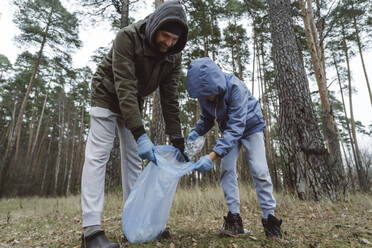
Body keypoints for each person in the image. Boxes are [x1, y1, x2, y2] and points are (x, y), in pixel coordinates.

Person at [80, 1, 188, 247]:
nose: (168, 43)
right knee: (98, 155)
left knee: (133, 161)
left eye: (174, 39)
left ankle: (136, 222)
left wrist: (177, 138)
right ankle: (91, 231)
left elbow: (169, 98)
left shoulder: (173, 55)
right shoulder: (127, 37)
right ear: (155, 27)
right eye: (165, 36)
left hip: (132, 101)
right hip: (106, 92)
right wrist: (140, 133)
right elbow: (124, 85)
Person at [186, 57, 282, 239]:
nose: (207, 98)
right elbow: (207, 118)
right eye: (203, 95)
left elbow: (237, 126)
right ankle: (234, 219)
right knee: (226, 170)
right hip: (229, 131)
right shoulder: (203, 94)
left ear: (216, 83)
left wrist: (212, 156)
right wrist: (195, 133)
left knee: (259, 170)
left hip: (251, 127)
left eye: (209, 93)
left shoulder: (235, 87)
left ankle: (270, 220)